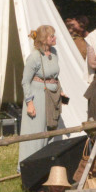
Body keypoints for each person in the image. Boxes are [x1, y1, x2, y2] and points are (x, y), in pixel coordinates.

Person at [19, 26, 64, 166]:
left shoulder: (54, 52)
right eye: (52, 36)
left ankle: (45, 164)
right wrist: (30, 103)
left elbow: (55, 76)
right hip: (38, 97)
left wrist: (60, 91)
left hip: (51, 96)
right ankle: (29, 165)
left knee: (50, 129)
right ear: (45, 40)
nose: (55, 38)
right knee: (36, 132)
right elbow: (25, 81)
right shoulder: (34, 57)